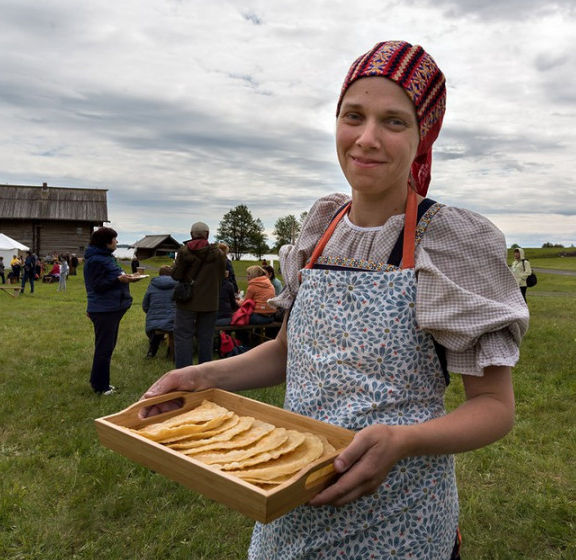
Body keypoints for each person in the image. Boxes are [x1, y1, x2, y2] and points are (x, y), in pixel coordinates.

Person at [138, 41, 528, 559]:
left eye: (393, 121)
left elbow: (494, 407)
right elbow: (285, 352)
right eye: (353, 116)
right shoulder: (321, 229)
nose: (366, 139)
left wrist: (402, 441)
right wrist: (204, 375)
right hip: (290, 491)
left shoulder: (448, 241)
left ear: (422, 136)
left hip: (400, 518)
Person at [84, 227, 141, 394]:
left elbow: (112, 279)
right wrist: (118, 280)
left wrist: (127, 278)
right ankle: (101, 387)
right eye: (114, 239)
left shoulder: (106, 258)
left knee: (107, 347)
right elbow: (97, 286)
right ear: (106, 242)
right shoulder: (96, 261)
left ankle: (99, 382)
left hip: (112, 308)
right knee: (104, 349)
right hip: (104, 309)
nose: (116, 242)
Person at [171, 221, 227, 369]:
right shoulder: (219, 254)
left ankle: (183, 373)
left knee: (183, 337)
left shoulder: (184, 252)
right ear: (207, 235)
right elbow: (221, 277)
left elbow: (176, 275)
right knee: (206, 338)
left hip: (187, 301)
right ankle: (204, 373)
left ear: (191, 235)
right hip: (209, 302)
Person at [143, 265, 177, 358]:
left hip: (155, 320)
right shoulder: (177, 285)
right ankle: (171, 350)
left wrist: (151, 313)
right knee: (171, 326)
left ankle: (151, 352)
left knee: (157, 327)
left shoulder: (152, 285)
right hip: (173, 319)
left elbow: (145, 305)